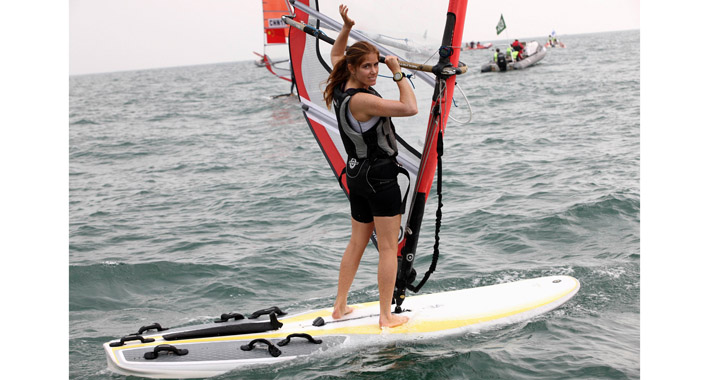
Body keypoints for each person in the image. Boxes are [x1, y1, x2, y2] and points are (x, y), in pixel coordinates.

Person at [322, 4, 415, 329]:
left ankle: (340, 306)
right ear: (353, 67)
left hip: (357, 177)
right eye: (367, 67)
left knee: (358, 241)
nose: (373, 72)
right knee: (389, 248)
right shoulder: (362, 100)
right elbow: (409, 107)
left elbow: (336, 53)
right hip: (379, 179)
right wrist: (397, 72)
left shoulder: (340, 86)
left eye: (376, 65)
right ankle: (386, 317)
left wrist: (346, 27)